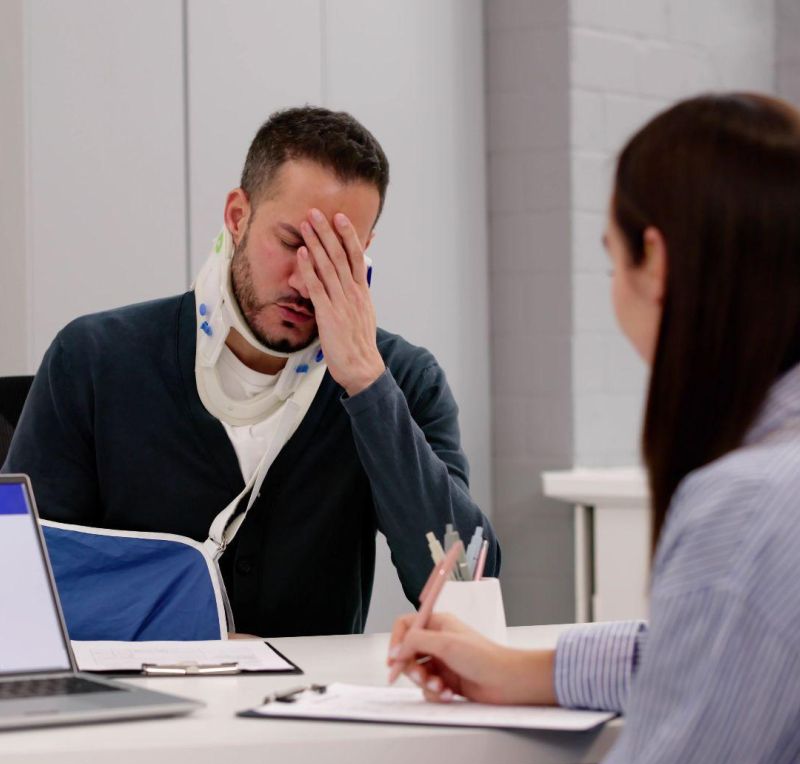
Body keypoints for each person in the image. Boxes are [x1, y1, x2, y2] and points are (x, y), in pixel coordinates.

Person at [388, 92, 800, 764]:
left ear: (657, 261)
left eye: (612, 259)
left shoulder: (749, 506)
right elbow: (714, 656)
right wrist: (523, 670)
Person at [3, 106, 499, 638]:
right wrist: (201, 637)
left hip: (309, 711)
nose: (307, 280)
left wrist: (366, 384)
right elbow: (20, 589)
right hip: (133, 705)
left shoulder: (402, 379)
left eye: (336, 256)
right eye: (291, 243)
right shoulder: (94, 359)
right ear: (238, 216)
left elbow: (463, 584)